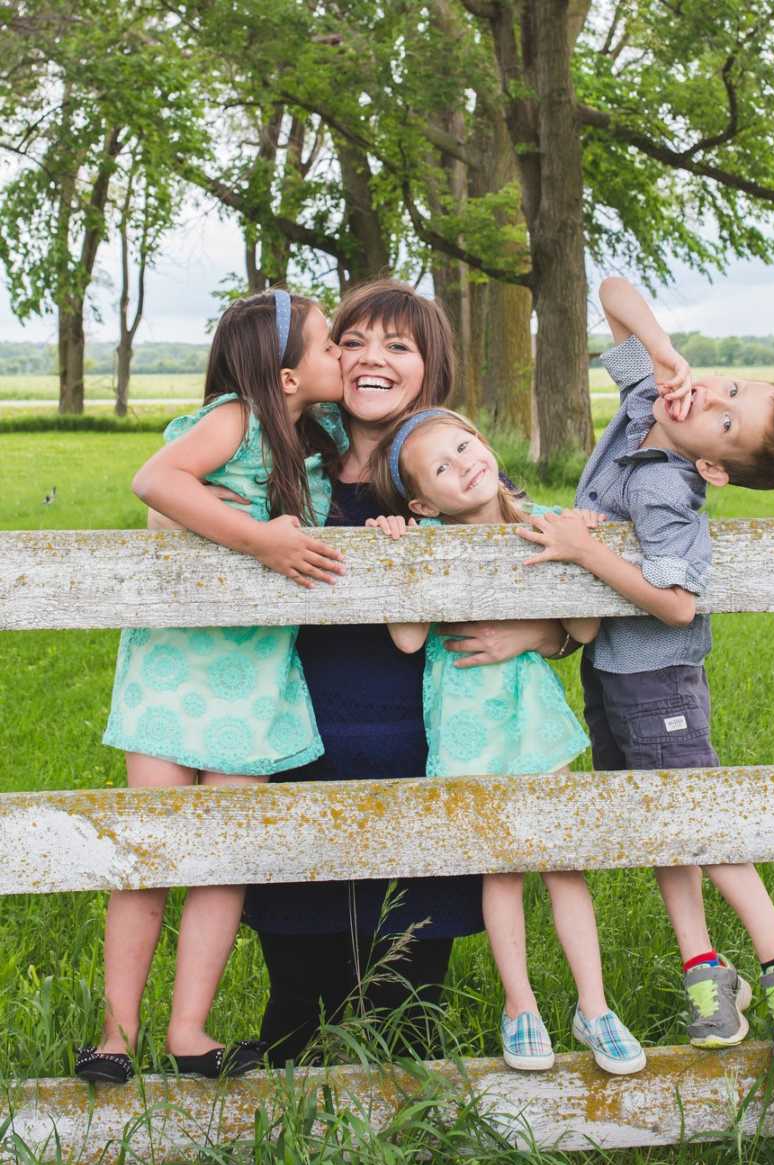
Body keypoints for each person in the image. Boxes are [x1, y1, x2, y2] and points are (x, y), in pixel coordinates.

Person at [240, 279, 576, 1066]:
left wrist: (535, 634)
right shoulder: (291, 456)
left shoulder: (450, 472)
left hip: (426, 745)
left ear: (431, 367)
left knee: (408, 996)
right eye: (351, 341)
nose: (371, 359)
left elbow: (557, 585)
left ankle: (406, 1155)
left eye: (398, 345)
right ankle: (283, 1153)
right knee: (297, 984)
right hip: (298, 741)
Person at [519, 276, 774, 1072]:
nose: (708, 400)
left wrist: (589, 551)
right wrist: (667, 355)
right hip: (612, 674)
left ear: (716, 469)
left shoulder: (668, 486)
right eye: (727, 386)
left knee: (690, 813)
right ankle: (705, 970)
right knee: (660, 822)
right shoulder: (650, 407)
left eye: (726, 419)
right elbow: (612, 289)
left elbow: (673, 604)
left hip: (657, 680)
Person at [77, 290, 346, 1083]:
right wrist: (258, 540)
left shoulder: (317, 440)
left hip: (255, 676)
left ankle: (188, 1030)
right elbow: (157, 482)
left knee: (223, 861)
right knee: (150, 856)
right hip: (174, 672)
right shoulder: (234, 417)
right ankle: (115, 1035)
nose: (341, 358)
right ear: (286, 373)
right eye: (330, 346)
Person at [365, 407, 646, 1075]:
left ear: (485, 443)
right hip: (464, 720)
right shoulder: (427, 540)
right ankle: (520, 1005)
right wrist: (400, 555)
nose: (464, 464)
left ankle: (595, 1005)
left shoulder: (542, 521)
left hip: (533, 716)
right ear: (420, 499)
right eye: (442, 467)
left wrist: (574, 553)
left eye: (465, 446)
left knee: (563, 857)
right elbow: (407, 639)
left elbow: (582, 629)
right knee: (500, 865)